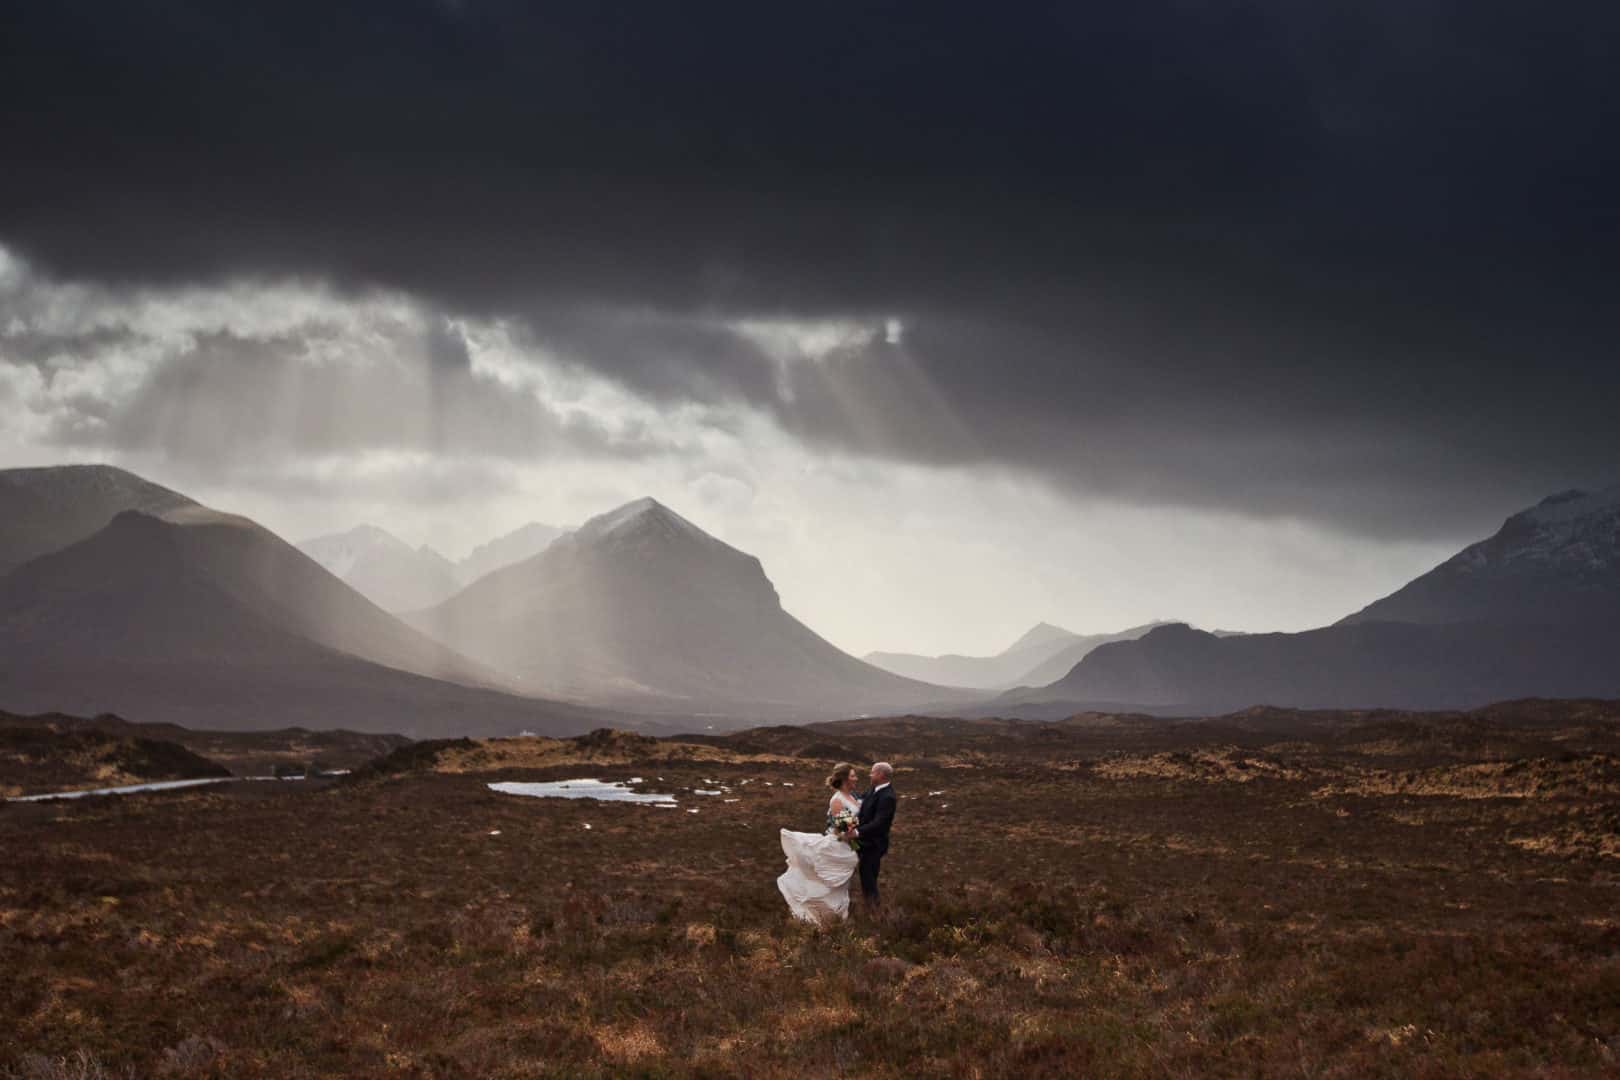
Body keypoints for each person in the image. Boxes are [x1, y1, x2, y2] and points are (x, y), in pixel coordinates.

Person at [776, 762, 862, 923]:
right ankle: (822, 919)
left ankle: (836, 921)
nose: (856, 778)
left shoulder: (854, 796)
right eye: (853, 776)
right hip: (839, 845)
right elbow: (845, 831)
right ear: (844, 779)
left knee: (840, 888)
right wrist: (859, 838)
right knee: (829, 887)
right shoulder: (837, 800)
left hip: (848, 847)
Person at [850, 761, 896, 909]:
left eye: (873, 772)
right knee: (865, 875)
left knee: (869, 877)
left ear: (881, 775)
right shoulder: (873, 790)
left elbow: (879, 823)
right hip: (863, 842)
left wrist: (857, 832)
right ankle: (871, 907)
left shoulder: (888, 797)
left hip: (874, 845)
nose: (870, 775)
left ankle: (874, 911)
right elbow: (859, 802)